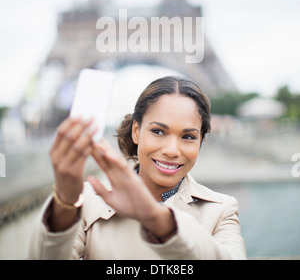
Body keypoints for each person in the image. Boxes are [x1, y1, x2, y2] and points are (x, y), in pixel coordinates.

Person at [28, 75, 247, 260]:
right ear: (136, 131)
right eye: (158, 131)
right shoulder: (84, 200)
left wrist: (155, 217)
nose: (172, 150)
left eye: (188, 136)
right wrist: (65, 202)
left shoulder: (221, 210)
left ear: (201, 141)